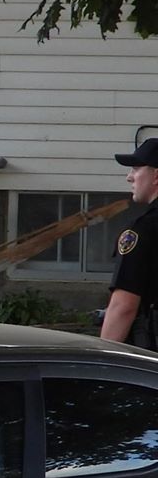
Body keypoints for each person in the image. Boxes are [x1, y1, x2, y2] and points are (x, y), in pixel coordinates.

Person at [103, 139, 158, 345]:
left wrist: (104, 362)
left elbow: (123, 306)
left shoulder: (143, 228)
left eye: (136, 169)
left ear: (156, 176)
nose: (129, 177)